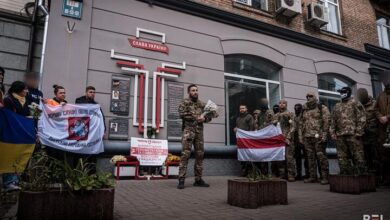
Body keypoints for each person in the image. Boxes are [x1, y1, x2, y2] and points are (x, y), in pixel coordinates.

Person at [177, 84, 215, 189]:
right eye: (193, 90)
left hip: (199, 133)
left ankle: (198, 180)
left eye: (196, 90)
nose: (195, 92)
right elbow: (181, 114)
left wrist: (205, 119)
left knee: (199, 155)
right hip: (188, 132)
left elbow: (210, 115)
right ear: (189, 92)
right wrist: (196, 117)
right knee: (185, 155)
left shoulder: (202, 104)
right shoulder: (184, 102)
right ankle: (181, 180)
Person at [330, 87, 367, 175]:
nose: (341, 94)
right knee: (342, 156)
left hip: (353, 134)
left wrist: (359, 131)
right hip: (340, 135)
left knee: (358, 155)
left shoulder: (355, 103)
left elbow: (362, 117)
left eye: (343, 92)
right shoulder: (337, 105)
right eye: (340, 92)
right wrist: (332, 132)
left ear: (348, 92)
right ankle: (345, 173)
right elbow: (333, 120)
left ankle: (360, 174)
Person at [2, 81, 30, 191]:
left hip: (22, 132)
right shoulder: (8, 100)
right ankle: (8, 182)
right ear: (18, 89)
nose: (27, 91)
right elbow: (9, 116)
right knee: (10, 157)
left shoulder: (25, 101)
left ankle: (16, 180)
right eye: (25, 89)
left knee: (19, 156)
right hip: (11, 132)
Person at [300, 92, 330, 184]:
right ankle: (312, 177)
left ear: (315, 97)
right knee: (310, 158)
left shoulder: (322, 108)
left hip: (318, 137)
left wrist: (324, 135)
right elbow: (301, 123)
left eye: (311, 96)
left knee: (321, 157)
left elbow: (327, 121)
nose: (309, 98)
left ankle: (325, 177)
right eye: (307, 96)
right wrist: (301, 136)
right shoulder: (304, 109)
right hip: (307, 137)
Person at [357, 88, 379, 176]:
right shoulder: (358, 106)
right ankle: (369, 176)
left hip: (374, 135)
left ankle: (378, 176)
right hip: (363, 135)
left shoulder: (374, 104)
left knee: (376, 156)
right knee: (366, 156)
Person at [273, 99, 295, 181]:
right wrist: (273, 123)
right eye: (280, 103)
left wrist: (288, 137)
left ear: (286, 104)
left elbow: (293, 127)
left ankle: (291, 175)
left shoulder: (290, 114)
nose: (281, 104)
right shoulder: (276, 115)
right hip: (278, 139)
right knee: (280, 158)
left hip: (287, 138)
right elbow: (272, 128)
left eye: (283, 103)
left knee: (289, 157)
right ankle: (282, 174)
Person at [375, 84, 390, 185]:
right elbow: (375, 109)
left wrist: (388, 117)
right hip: (383, 130)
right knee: (384, 154)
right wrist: (380, 117)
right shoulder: (381, 95)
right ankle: (386, 178)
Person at [234, 104, 255, 176]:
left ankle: (249, 172)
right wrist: (235, 129)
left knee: (248, 156)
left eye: (243, 108)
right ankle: (244, 171)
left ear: (246, 109)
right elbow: (237, 127)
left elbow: (251, 128)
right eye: (240, 108)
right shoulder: (238, 118)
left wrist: (250, 138)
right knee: (242, 156)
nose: (241, 110)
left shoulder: (249, 117)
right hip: (240, 141)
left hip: (247, 140)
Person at [293, 103, 309, 180]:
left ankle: (307, 173)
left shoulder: (304, 117)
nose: (297, 109)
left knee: (306, 158)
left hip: (304, 139)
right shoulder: (294, 117)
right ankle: (299, 174)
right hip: (296, 140)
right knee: (297, 158)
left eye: (298, 108)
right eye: (295, 108)